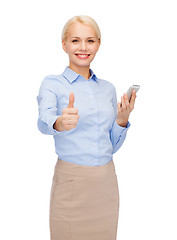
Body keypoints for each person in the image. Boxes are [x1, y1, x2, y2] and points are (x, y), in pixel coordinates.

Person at [37, 15, 137, 240]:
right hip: (72, 184)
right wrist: (59, 123)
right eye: (75, 41)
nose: (83, 47)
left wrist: (122, 119)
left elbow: (110, 146)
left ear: (98, 45)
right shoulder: (52, 83)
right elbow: (43, 120)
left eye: (90, 41)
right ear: (64, 45)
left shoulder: (108, 89)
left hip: (105, 183)